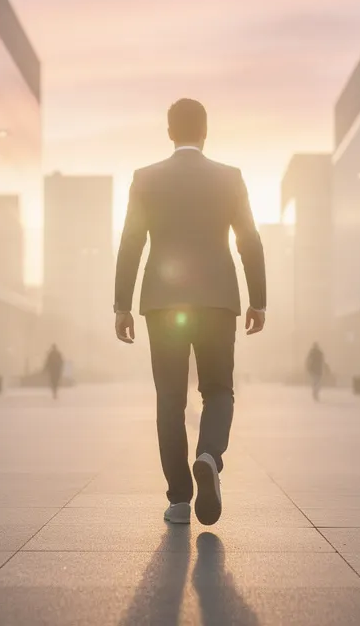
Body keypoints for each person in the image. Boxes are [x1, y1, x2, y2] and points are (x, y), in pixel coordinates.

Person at [114, 98, 266, 526]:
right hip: (217, 300)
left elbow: (131, 242)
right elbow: (249, 240)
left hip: (163, 303)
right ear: (205, 131)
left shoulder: (145, 178)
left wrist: (122, 305)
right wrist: (258, 300)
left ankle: (180, 500)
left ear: (169, 132)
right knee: (218, 389)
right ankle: (209, 456)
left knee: (170, 399)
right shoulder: (229, 178)